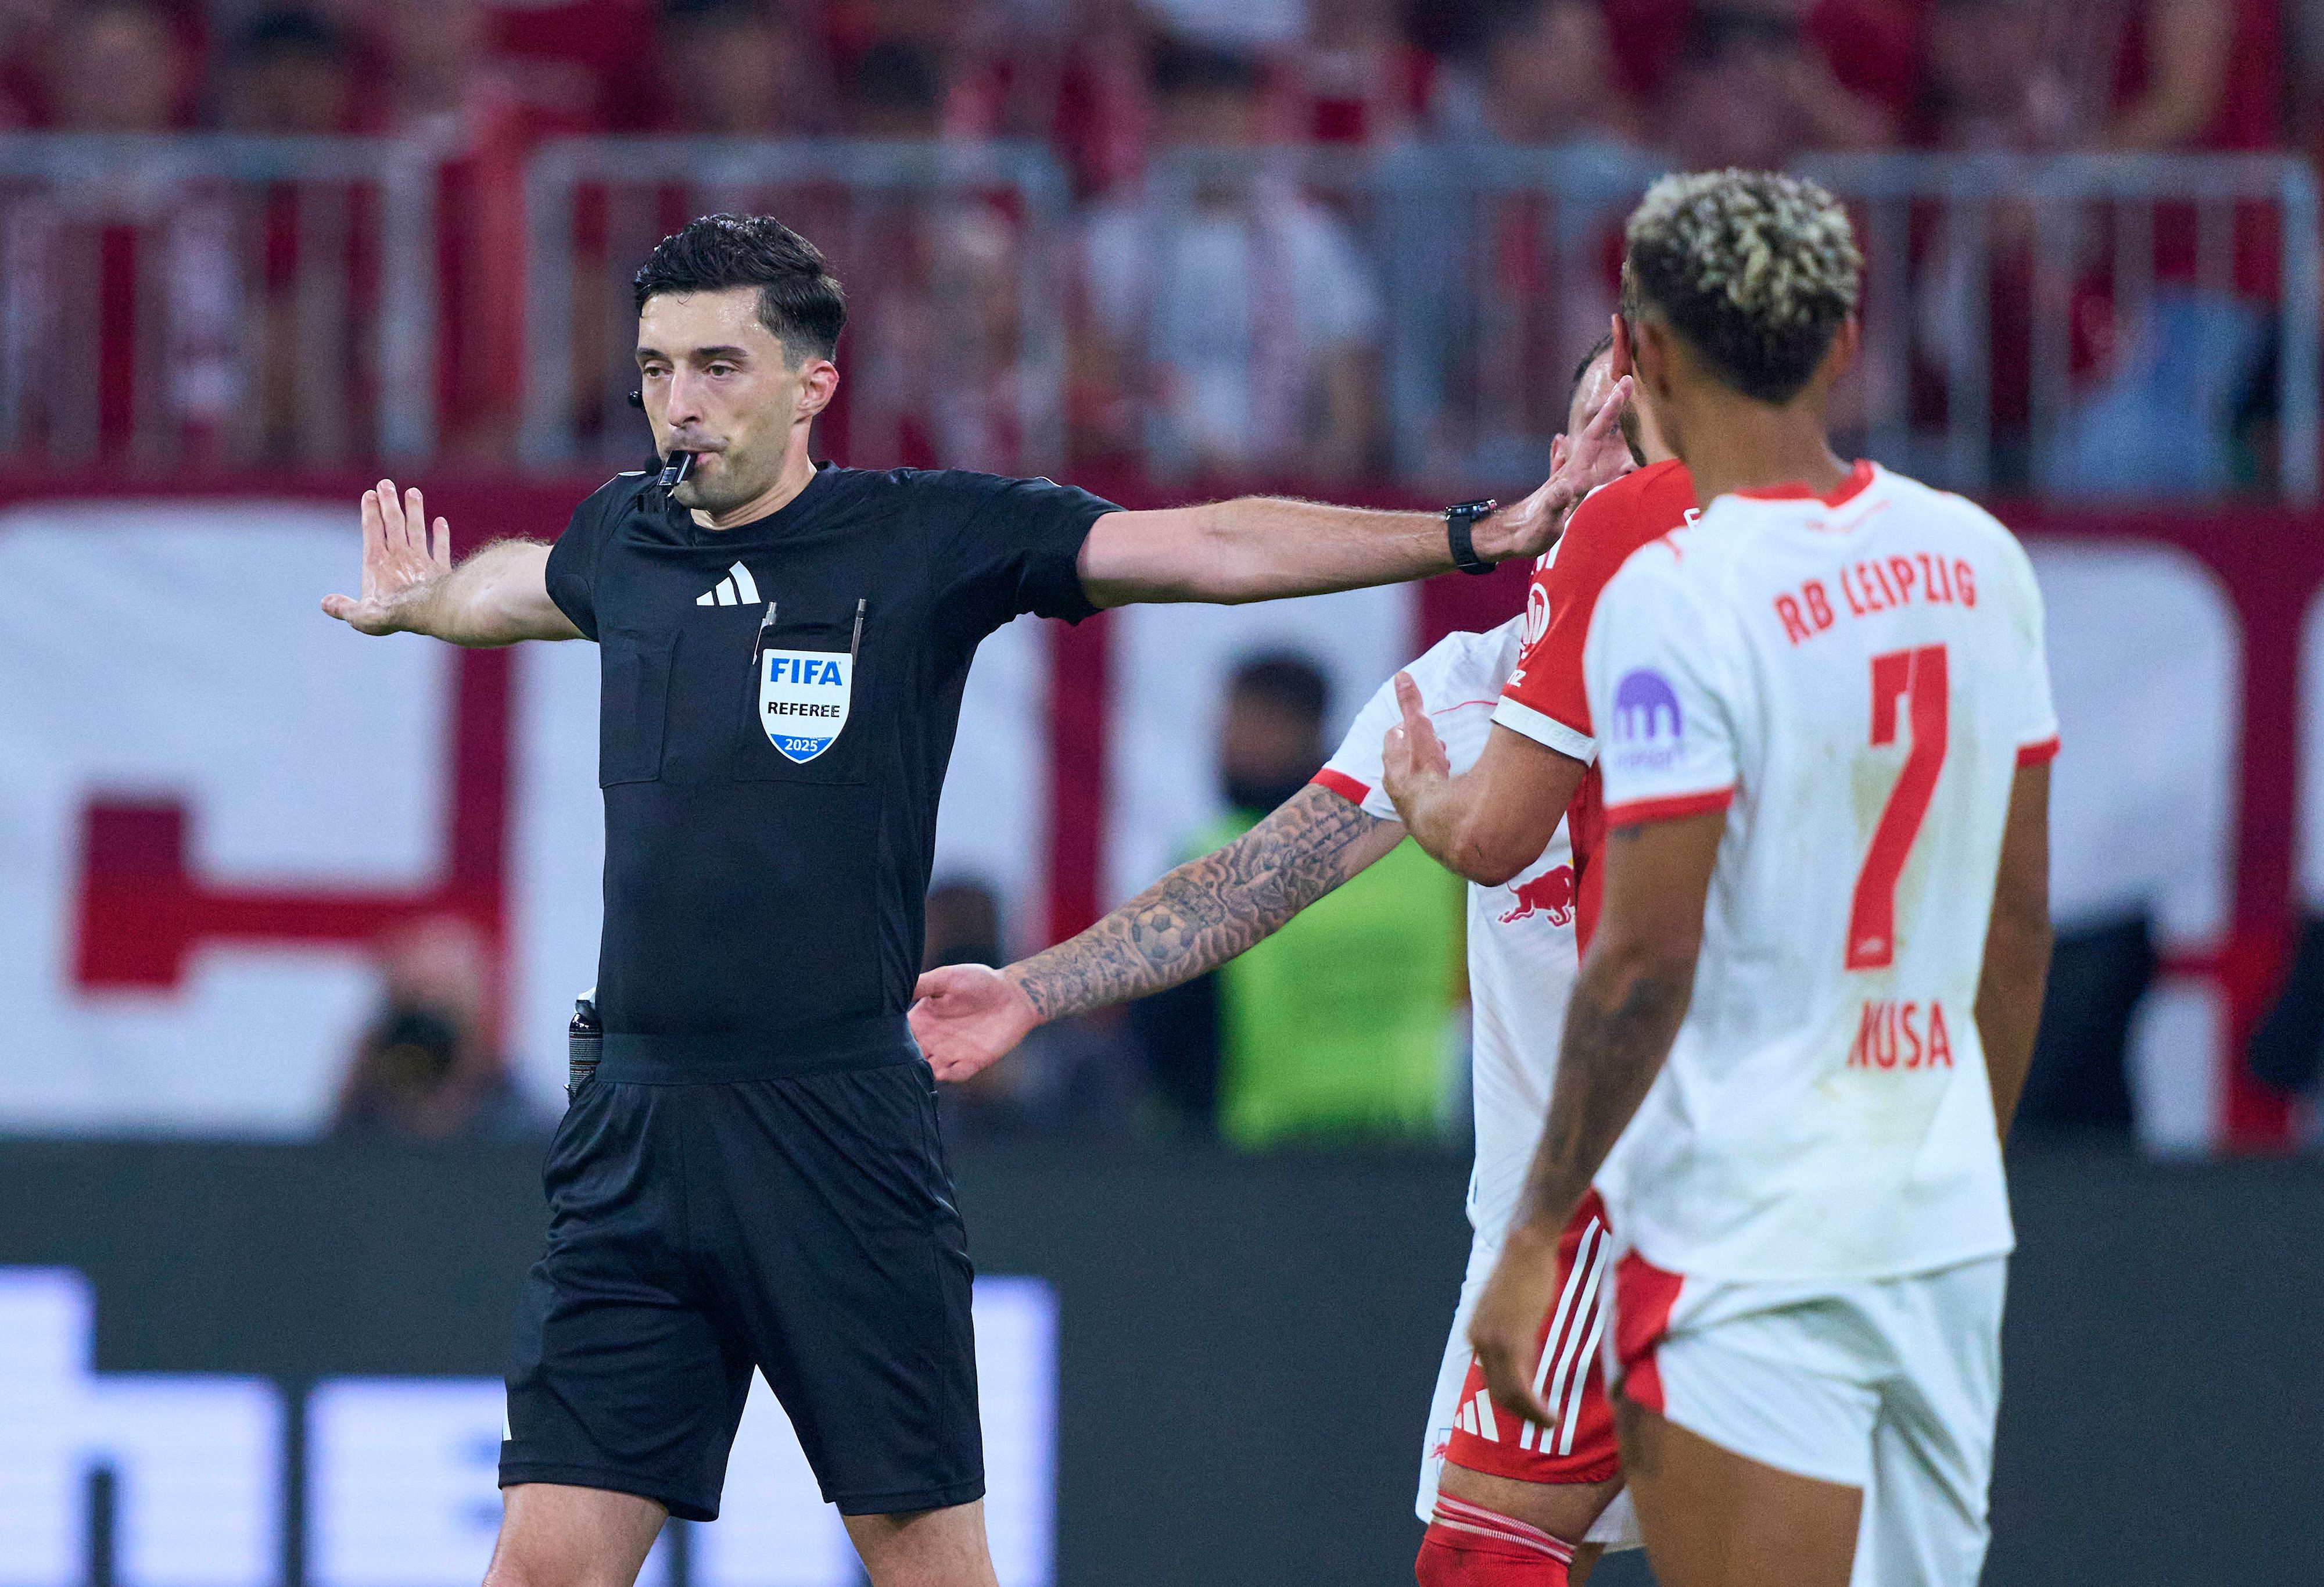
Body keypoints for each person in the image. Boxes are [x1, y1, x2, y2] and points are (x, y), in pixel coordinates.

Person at [317, 212, 1618, 1587]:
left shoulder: (923, 537)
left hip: (832, 1130)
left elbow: (1209, 546)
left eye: (716, 366)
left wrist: (1474, 533)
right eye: (654, 369)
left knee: (929, 1568)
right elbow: (526, 587)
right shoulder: (626, 537)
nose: (677, 403)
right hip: (633, 1130)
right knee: (540, 1568)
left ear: (811, 384)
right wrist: (433, 599)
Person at [912, 338, 1651, 1585]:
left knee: (1495, 1553)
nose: (1627, 458)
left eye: (1656, 431)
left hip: (1662, 1198)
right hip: (1534, 1214)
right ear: (1555, 459)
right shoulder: (1460, 697)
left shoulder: (1757, 670)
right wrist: (1032, 988)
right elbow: (1255, 877)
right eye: (1605, 423)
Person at [1440, 171, 2057, 1587]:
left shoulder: (1665, 577)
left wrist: (1534, 1232)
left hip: (1729, 1189)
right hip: (1920, 1195)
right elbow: (2017, 928)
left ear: (1640, 354)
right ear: (1845, 343)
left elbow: (1643, 954)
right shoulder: (1973, 560)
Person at [1128, 651, 1465, 1147]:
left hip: (1261, 1153)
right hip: (1413, 1146)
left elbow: (1166, 1033)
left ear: (1296, 729)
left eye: (1243, 724)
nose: (1224, 744)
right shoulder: (1425, 849)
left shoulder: (1217, 857)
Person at [332, 915, 548, 1144]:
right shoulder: (360, 1123)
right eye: (413, 999)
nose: (426, 1035)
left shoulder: (526, 1132)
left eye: (445, 999)